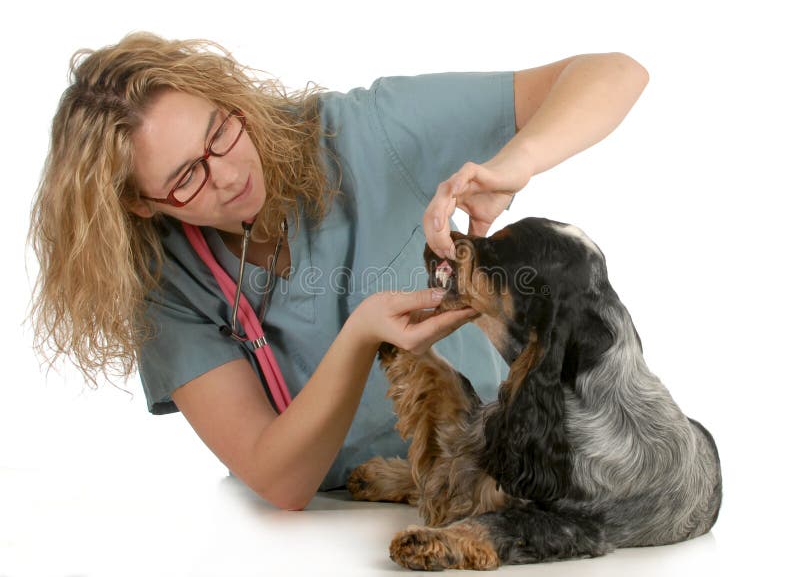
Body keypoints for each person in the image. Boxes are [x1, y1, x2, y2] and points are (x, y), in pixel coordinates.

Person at [28, 32, 649, 510]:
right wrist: (361, 337)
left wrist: (517, 162)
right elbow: (279, 481)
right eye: (186, 177)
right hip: (328, 531)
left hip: (494, 475)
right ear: (142, 204)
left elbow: (615, 72)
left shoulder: (360, 133)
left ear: (226, 98)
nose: (228, 172)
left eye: (219, 131)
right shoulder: (166, 282)